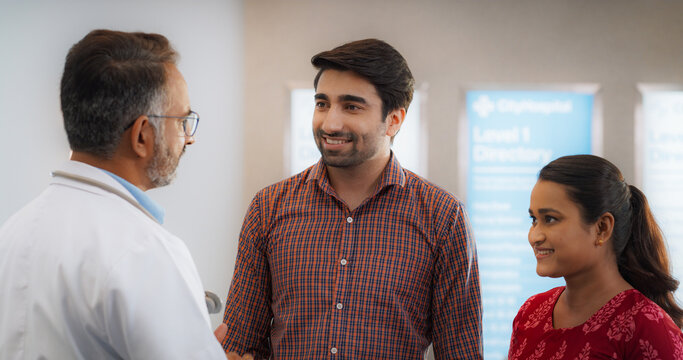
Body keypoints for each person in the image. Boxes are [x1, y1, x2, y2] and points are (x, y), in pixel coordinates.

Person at [221, 39, 482, 359]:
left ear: (394, 119)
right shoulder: (270, 207)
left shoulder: (443, 217)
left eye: (351, 106)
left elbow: (461, 352)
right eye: (322, 104)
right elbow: (241, 345)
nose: (330, 123)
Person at [0, 29, 229, 359]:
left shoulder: (12, 235)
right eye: (181, 121)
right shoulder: (145, 251)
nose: (188, 139)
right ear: (141, 136)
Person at [509, 154, 683, 359]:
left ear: (602, 228)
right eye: (534, 220)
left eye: (550, 219)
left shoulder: (646, 326)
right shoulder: (530, 313)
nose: (534, 236)